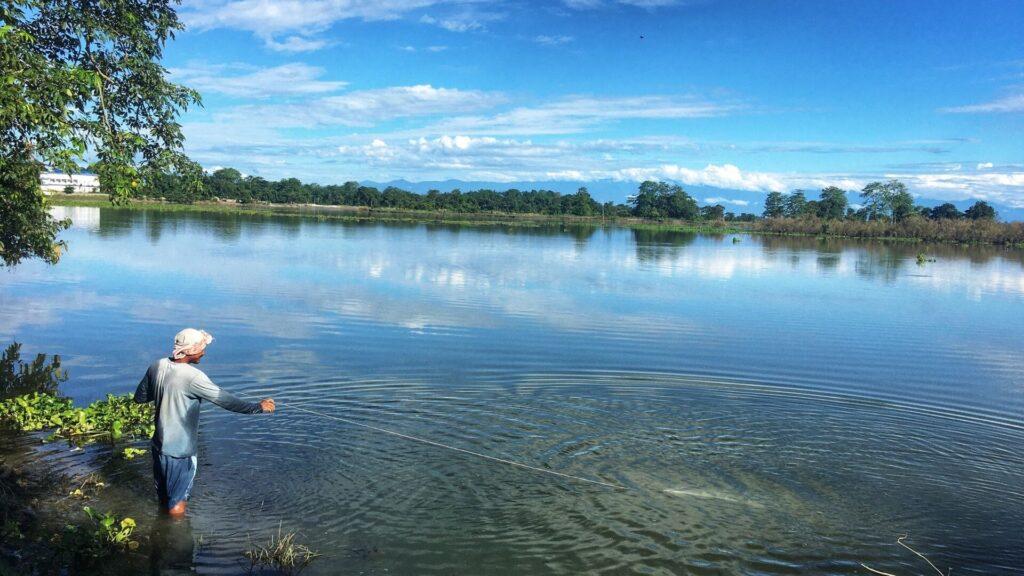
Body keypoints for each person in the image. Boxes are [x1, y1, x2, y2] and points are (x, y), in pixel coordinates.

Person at [134, 328, 274, 518]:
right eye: (201, 348)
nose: (204, 352)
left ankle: (159, 534)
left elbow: (140, 398)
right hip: (181, 451)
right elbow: (227, 401)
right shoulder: (193, 377)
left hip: (158, 447)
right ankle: (175, 541)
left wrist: (164, 391)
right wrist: (259, 407)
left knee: (164, 497)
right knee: (177, 504)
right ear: (191, 351)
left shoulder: (156, 366)